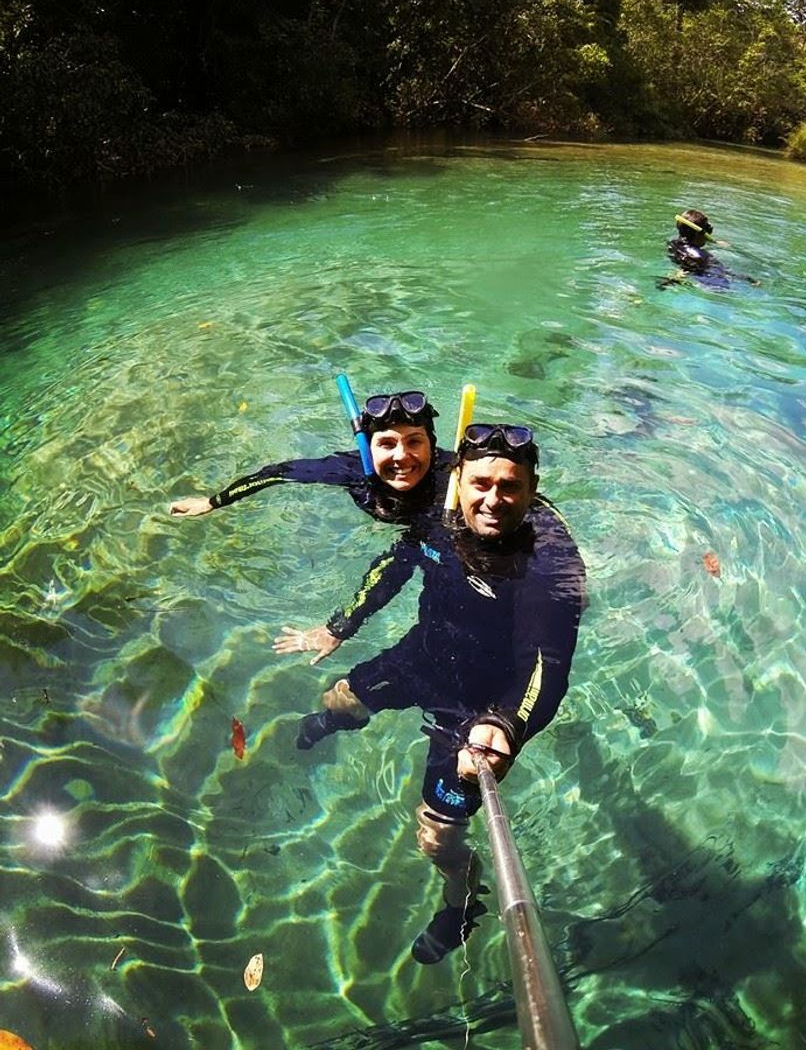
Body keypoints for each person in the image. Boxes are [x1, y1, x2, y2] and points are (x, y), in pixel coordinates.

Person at [274, 423, 587, 964]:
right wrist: (338, 627)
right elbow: (395, 565)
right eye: (482, 483)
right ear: (458, 479)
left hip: (479, 708)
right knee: (338, 698)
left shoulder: (549, 560)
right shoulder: (438, 515)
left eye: (511, 487)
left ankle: (459, 904)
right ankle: (335, 724)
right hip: (425, 655)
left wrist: (507, 725)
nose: (493, 500)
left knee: (437, 837)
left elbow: (546, 668)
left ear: (533, 489)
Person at [168, 391, 450, 523]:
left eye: (415, 441)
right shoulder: (350, 470)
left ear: (432, 445)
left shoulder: (453, 471)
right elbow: (277, 473)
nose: (402, 456)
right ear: (367, 448)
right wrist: (213, 502)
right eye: (387, 444)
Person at [658, 209, 741, 289]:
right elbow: (726, 272)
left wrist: (714, 242)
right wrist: (749, 279)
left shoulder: (672, 244)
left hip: (688, 268)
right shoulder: (703, 257)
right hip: (712, 285)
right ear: (699, 235)